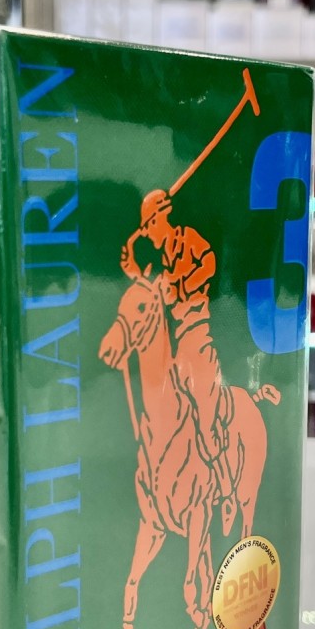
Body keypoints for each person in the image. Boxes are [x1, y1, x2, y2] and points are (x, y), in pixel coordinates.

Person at [121, 189, 237, 532]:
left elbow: (209, 263)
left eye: (149, 227)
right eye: (145, 229)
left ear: (160, 219)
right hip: (174, 349)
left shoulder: (187, 239)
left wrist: (183, 284)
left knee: (203, 416)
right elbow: (155, 297)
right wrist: (134, 272)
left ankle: (225, 488)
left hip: (196, 341)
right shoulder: (162, 259)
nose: (148, 234)